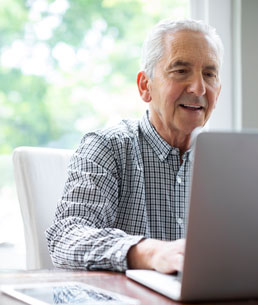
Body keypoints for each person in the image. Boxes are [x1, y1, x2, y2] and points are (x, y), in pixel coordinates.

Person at [46, 18, 223, 274]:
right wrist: (148, 253)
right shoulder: (107, 147)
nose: (198, 88)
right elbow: (66, 236)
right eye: (180, 71)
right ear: (145, 86)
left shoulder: (229, 162)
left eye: (209, 74)